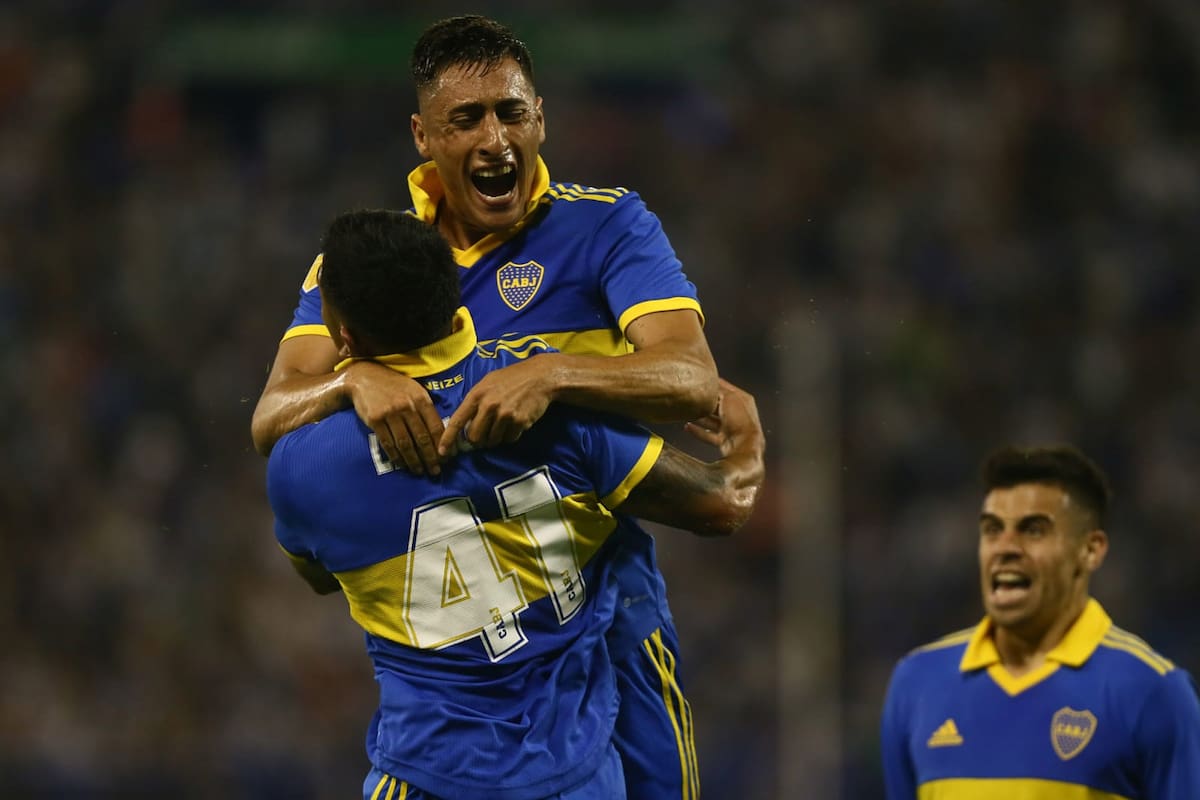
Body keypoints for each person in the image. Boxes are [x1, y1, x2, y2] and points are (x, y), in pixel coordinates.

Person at [251, 15, 723, 798]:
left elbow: (691, 378)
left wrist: (553, 374)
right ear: (422, 135)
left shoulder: (606, 224)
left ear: (540, 116)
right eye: (466, 119)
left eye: (510, 112)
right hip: (467, 624)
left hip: (604, 594)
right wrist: (349, 381)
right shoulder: (378, 261)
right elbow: (272, 415)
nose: (495, 138)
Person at [266, 208, 764, 800]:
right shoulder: (551, 410)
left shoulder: (302, 467)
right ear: (458, 313)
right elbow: (722, 503)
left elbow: (319, 573)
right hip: (576, 775)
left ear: (344, 339)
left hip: (423, 776)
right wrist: (747, 438)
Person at [880, 444, 1200, 799]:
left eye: (1033, 530)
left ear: (1091, 550)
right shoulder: (918, 683)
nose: (1005, 547)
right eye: (992, 529)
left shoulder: (1152, 692)